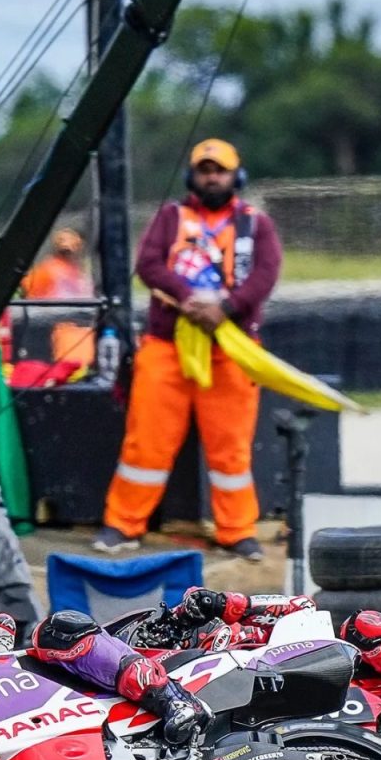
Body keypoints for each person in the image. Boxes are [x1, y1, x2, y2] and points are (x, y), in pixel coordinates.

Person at [97, 138, 283, 562]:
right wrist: (189, 298)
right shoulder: (170, 217)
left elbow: (266, 274)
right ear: (192, 175)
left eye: (220, 169)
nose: (212, 176)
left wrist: (227, 308)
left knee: (231, 446)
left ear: (237, 174)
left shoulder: (256, 224)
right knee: (146, 442)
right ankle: (122, 524)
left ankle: (237, 531)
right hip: (166, 345)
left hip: (232, 347)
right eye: (204, 169)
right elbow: (148, 265)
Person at [129, 586, 381, 760]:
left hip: (350, 683)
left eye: (167, 634)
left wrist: (227, 603)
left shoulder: (247, 633)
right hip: (294, 727)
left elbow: (303, 607)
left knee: (363, 624)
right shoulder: (191, 688)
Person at [0, 590, 209, 751]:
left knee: (60, 629)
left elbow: (2, 630)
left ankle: (172, 699)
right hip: (4, 740)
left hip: (42, 687)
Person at [23, 228, 95, 365]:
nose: (67, 245)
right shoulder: (46, 270)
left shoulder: (79, 271)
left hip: (84, 326)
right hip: (60, 329)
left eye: (71, 241)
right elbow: (31, 302)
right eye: (62, 241)